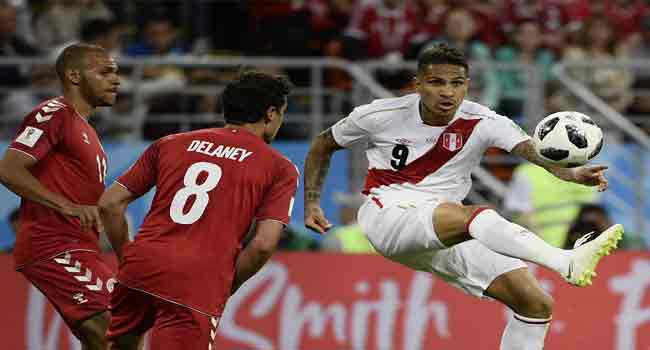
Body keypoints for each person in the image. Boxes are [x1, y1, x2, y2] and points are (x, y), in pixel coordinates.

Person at [303, 43, 624, 350]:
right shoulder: (379, 114)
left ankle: (562, 266)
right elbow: (322, 143)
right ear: (417, 84)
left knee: (535, 302)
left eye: (456, 83)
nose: (447, 91)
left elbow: (531, 149)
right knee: (474, 216)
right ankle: (564, 260)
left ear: (467, 85)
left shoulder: (483, 120)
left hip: (444, 230)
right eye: (436, 82)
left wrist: (570, 172)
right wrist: (312, 200)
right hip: (388, 213)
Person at [97, 72, 298, 349]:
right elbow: (263, 244)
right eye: (282, 113)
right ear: (271, 113)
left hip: (142, 265)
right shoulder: (279, 166)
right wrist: (227, 284)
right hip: (197, 280)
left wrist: (127, 256)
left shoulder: (170, 143)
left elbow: (109, 204)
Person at [0, 43, 120, 349]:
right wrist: (67, 206)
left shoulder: (89, 132)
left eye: (116, 73)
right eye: (105, 72)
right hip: (53, 245)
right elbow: (9, 170)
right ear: (75, 76)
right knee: (116, 330)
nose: (116, 80)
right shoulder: (54, 113)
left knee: (106, 337)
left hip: (81, 247)